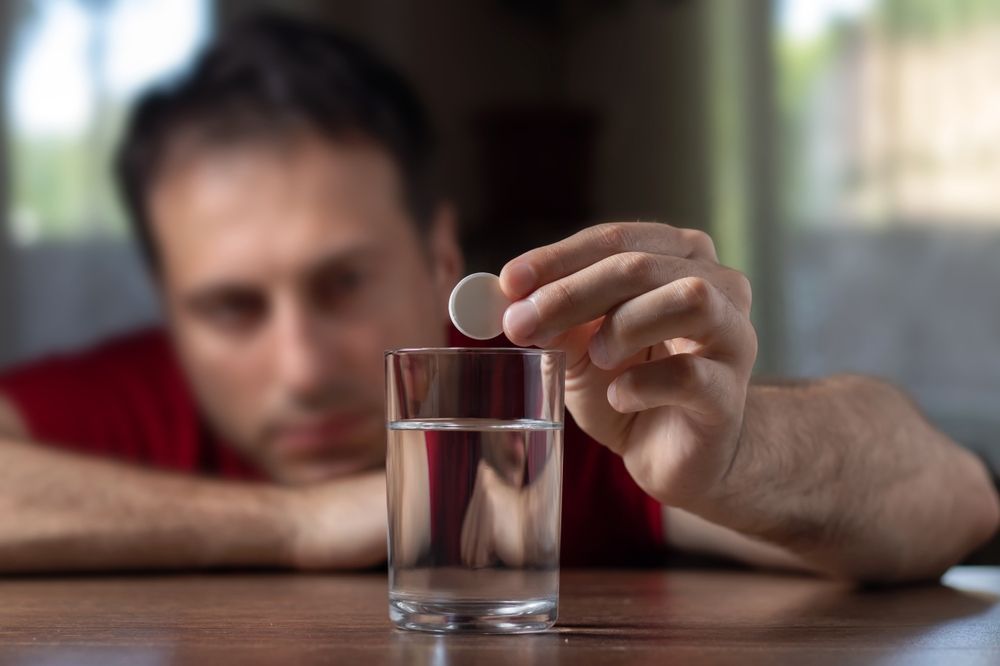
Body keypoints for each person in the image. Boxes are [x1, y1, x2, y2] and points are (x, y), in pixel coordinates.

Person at [0, 14, 995, 580]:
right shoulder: (123, 400)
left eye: (342, 282)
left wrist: (739, 455)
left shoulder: (554, 402)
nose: (300, 368)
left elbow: (954, 500)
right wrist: (306, 523)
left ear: (440, 254)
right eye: (230, 308)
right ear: (170, 304)